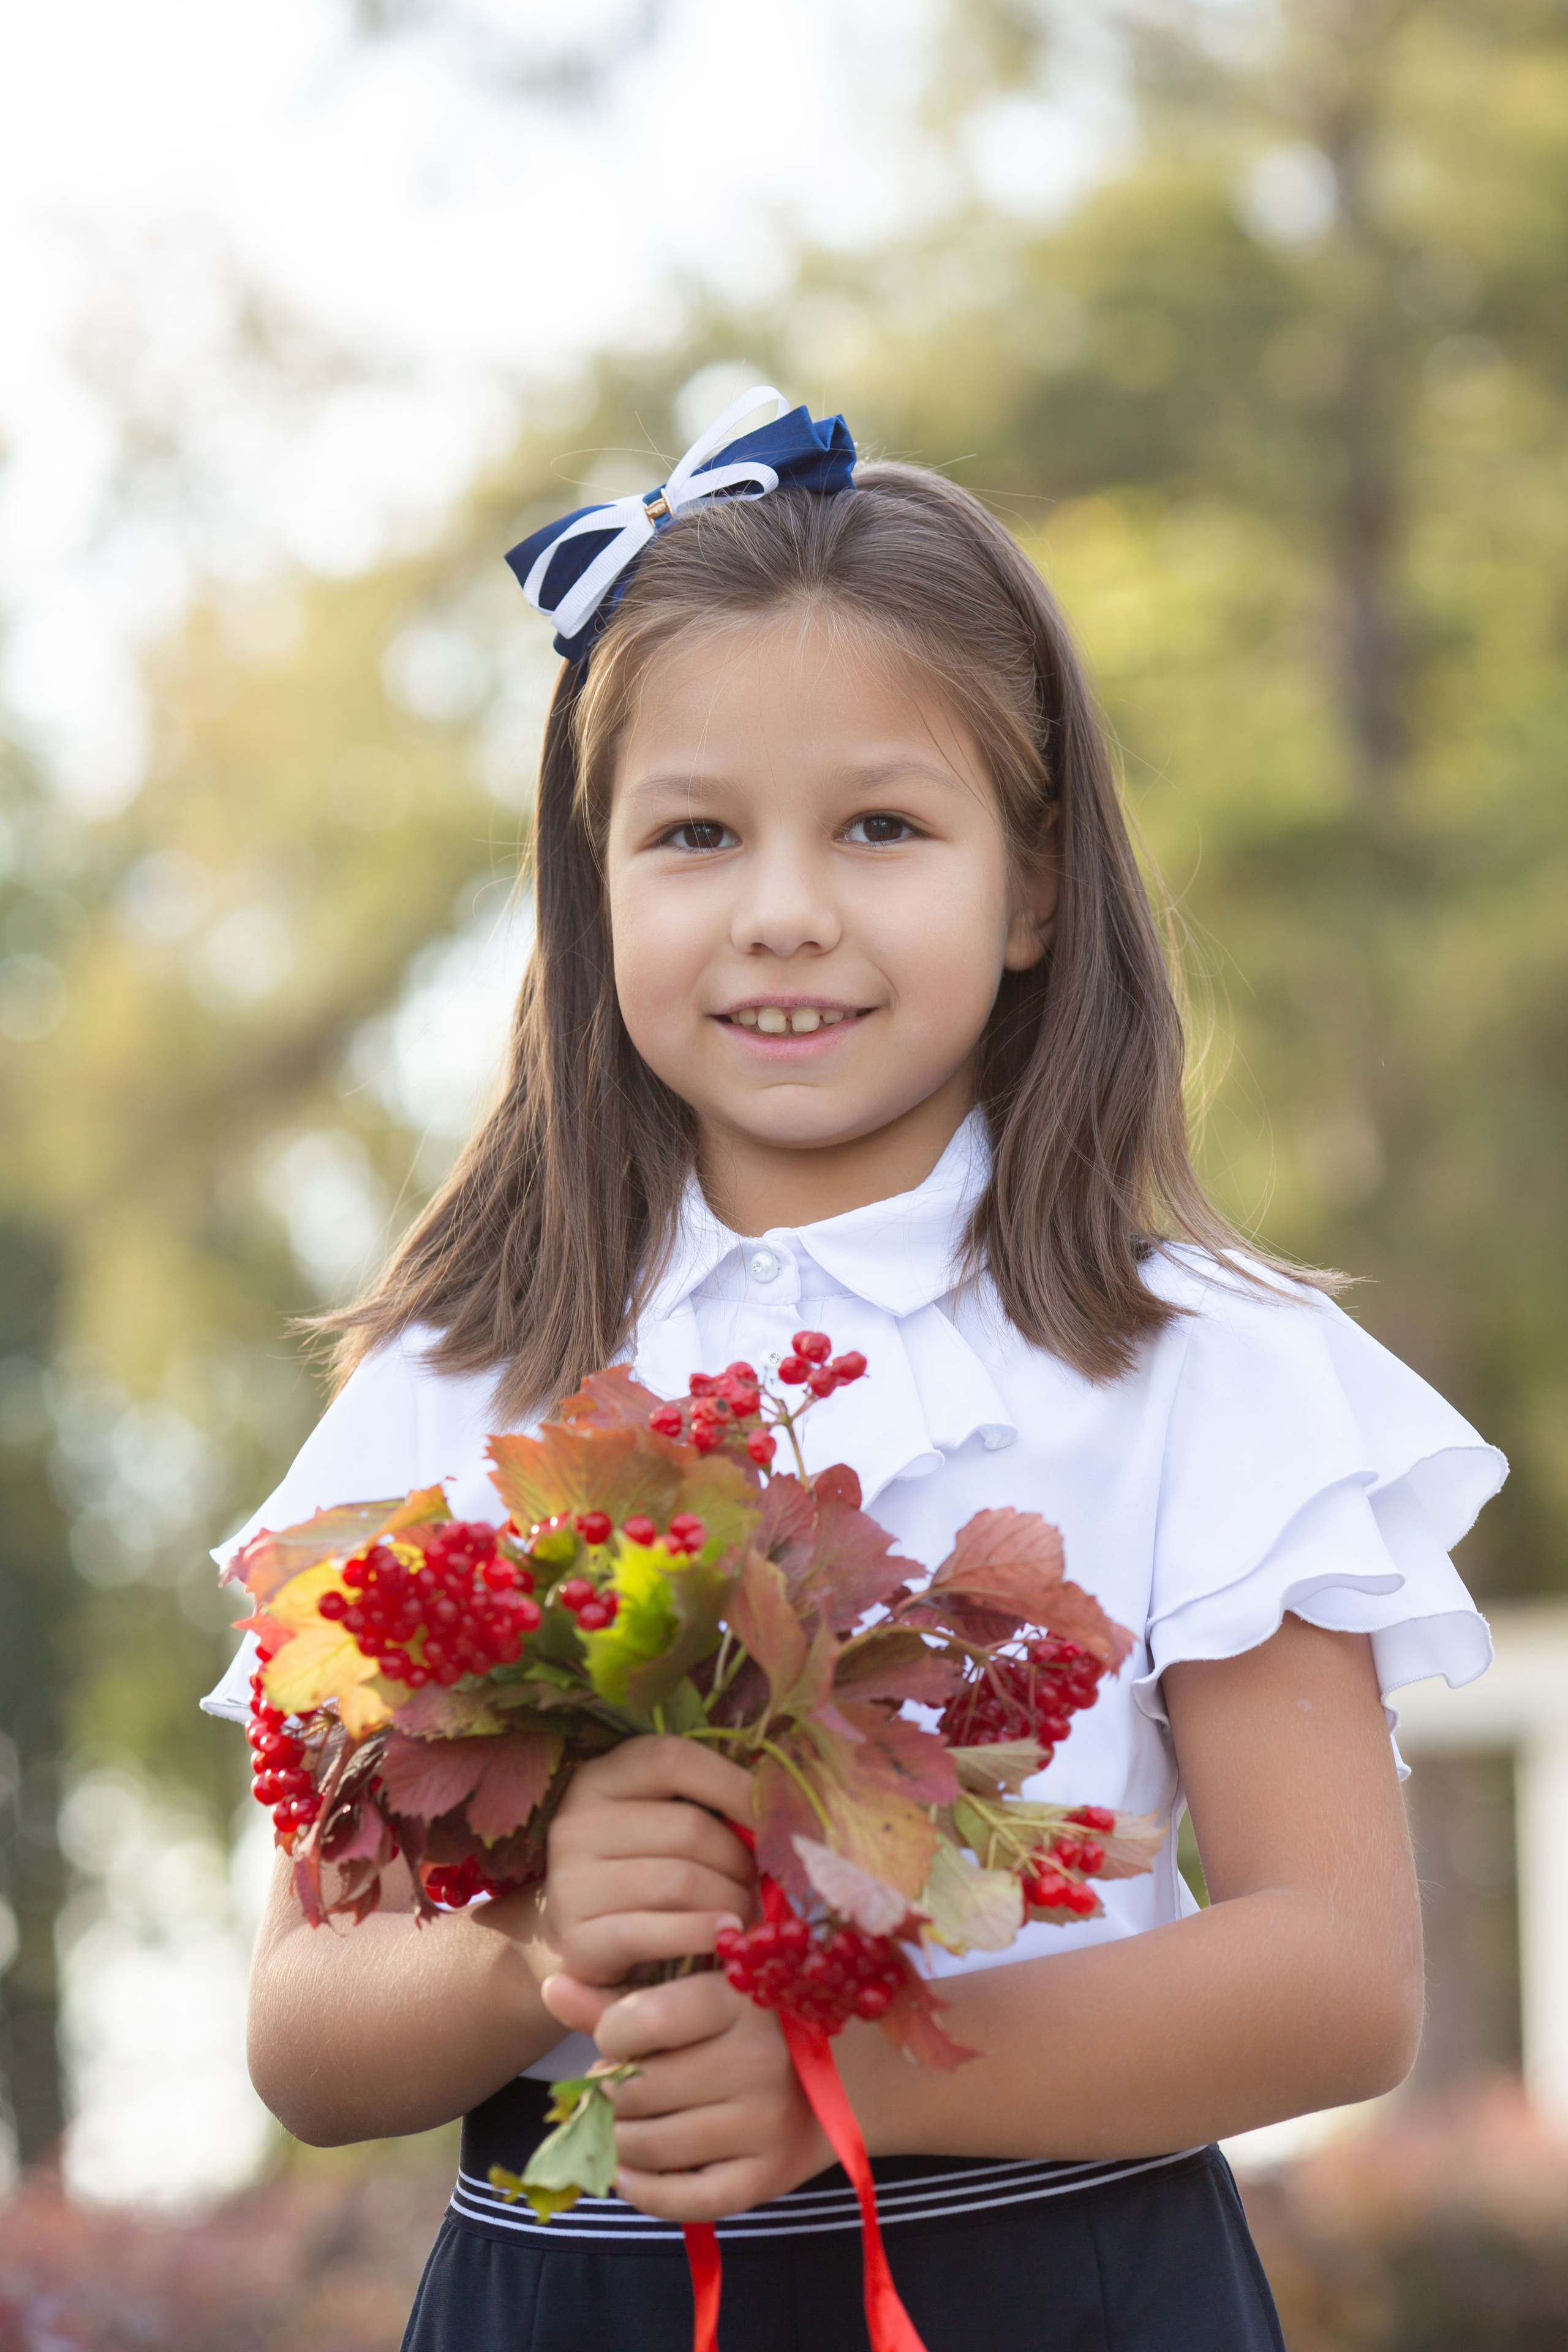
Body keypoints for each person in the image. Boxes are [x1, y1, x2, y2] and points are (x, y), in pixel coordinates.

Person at [206, 388, 1504, 2352]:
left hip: (1059, 2297)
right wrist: (535, 1939)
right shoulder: (458, 1379)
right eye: (697, 834)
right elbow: (305, 2035)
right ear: (597, 887)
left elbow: (1341, 1976)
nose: (785, 907)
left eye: (882, 827)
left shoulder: (1199, 1363)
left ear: (1036, 887)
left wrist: (862, 2073)